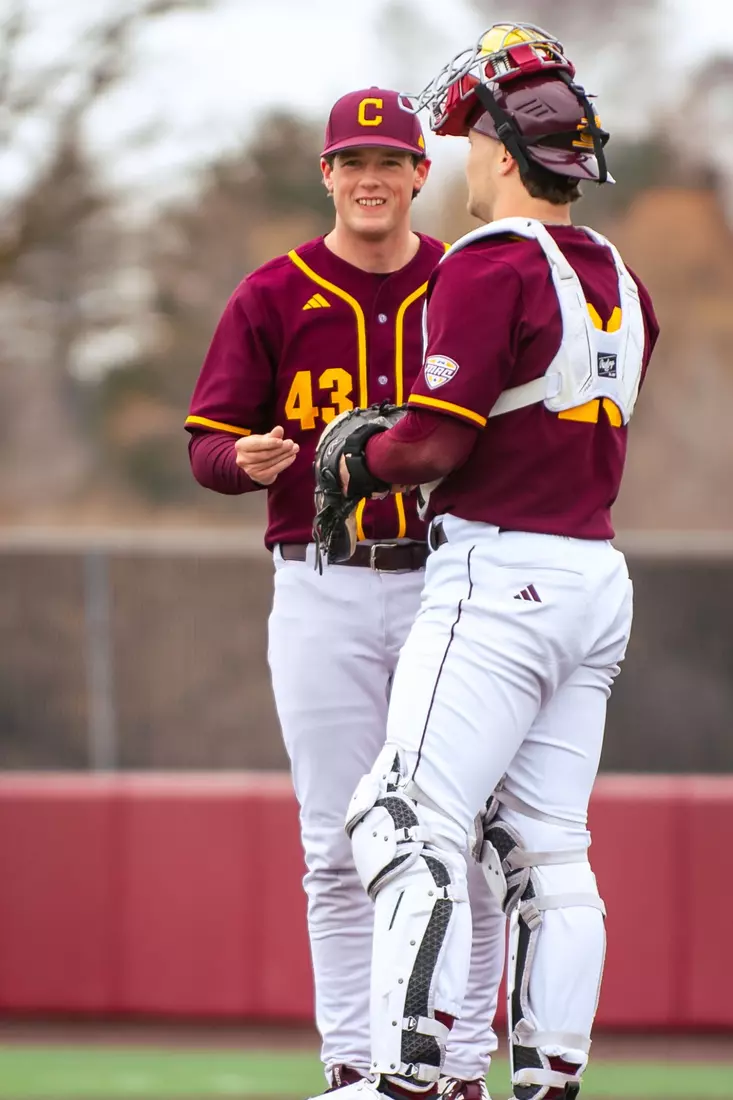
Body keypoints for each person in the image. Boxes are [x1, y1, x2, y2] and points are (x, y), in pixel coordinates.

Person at [311, 24, 660, 1100]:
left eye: (469, 142)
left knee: (400, 817)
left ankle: (404, 1073)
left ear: (504, 154)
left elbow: (433, 443)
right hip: (593, 580)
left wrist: (357, 455)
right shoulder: (622, 278)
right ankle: (549, 1076)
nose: (460, 159)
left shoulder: (489, 264)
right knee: (549, 851)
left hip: (499, 577)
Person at [185, 87, 504, 1097]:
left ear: (422, 173)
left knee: (461, 839)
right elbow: (203, 446)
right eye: (351, 161)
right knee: (333, 844)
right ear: (326, 174)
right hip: (320, 584)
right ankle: (357, 1061)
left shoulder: (468, 281)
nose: (370, 179)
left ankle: (455, 1067)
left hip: (448, 587)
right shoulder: (271, 294)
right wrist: (244, 459)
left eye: (390, 160)